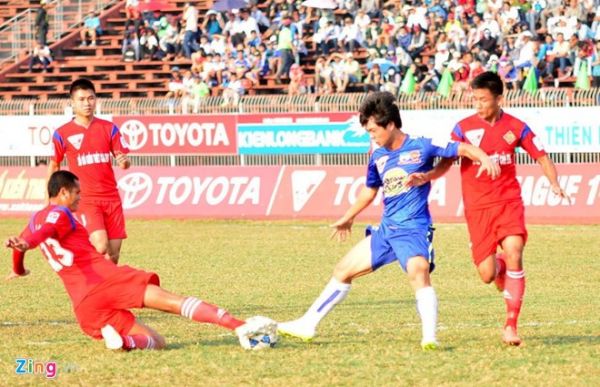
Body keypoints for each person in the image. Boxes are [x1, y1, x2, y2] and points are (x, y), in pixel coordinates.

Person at [277, 91, 500, 349]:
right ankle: (307, 324)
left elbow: (460, 148)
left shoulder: (422, 144)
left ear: (390, 124)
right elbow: (370, 189)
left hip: (414, 229)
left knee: (418, 273)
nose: (371, 136)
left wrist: (483, 157)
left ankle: (430, 338)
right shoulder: (378, 156)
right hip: (385, 231)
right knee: (342, 270)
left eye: (373, 130)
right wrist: (348, 217)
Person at [4, 171, 277, 351]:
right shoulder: (59, 214)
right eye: (77, 192)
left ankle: (123, 341)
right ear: (63, 192)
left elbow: (25, 244)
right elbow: (47, 231)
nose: (80, 197)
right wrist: (29, 242)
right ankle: (240, 326)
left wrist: (20, 266)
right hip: (106, 281)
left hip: (85, 306)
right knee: (172, 302)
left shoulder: (33, 219)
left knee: (157, 342)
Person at [415, 71, 569, 346]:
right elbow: (449, 160)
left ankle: (511, 325)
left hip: (508, 202)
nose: (477, 105)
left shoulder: (517, 127)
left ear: (499, 98)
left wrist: (554, 183)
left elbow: (542, 157)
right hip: (477, 209)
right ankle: (499, 269)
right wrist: (428, 176)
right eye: (474, 99)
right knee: (487, 275)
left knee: (514, 251)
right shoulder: (463, 128)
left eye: (483, 100)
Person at [49, 78, 131, 264]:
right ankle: (83, 274)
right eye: (82, 99)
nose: (87, 103)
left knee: (113, 255)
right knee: (100, 246)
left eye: (91, 98)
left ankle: (105, 290)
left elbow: (125, 163)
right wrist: (50, 199)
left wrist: (124, 162)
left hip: (112, 198)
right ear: (72, 102)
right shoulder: (62, 133)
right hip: (85, 198)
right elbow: (54, 165)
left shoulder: (109, 128)